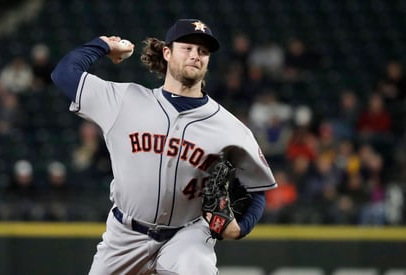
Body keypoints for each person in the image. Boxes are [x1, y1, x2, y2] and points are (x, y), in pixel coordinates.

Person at [51, 18, 277, 275]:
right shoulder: (124, 100)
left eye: (203, 52)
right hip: (125, 235)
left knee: (198, 269)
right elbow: (64, 74)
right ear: (167, 53)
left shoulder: (231, 128)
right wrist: (103, 45)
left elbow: (257, 188)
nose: (196, 55)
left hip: (188, 234)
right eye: (188, 48)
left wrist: (240, 228)